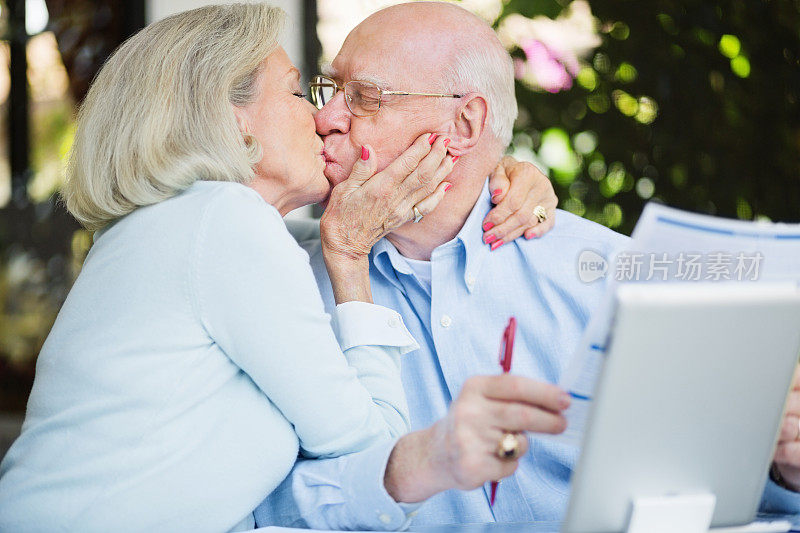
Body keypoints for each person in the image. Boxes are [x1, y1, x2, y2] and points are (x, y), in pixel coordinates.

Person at [0, 4, 554, 531]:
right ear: (231, 118)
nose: (323, 117)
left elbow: (358, 235)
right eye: (297, 92)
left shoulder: (191, 227)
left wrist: (491, 173)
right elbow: (377, 447)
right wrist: (352, 258)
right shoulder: (223, 221)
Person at [254, 2, 800, 530]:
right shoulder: (284, 288)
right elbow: (259, 507)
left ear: (464, 125)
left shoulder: (607, 274)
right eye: (330, 91)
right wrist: (404, 473)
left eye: (364, 97)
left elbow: (709, 478)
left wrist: (782, 468)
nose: (325, 118)